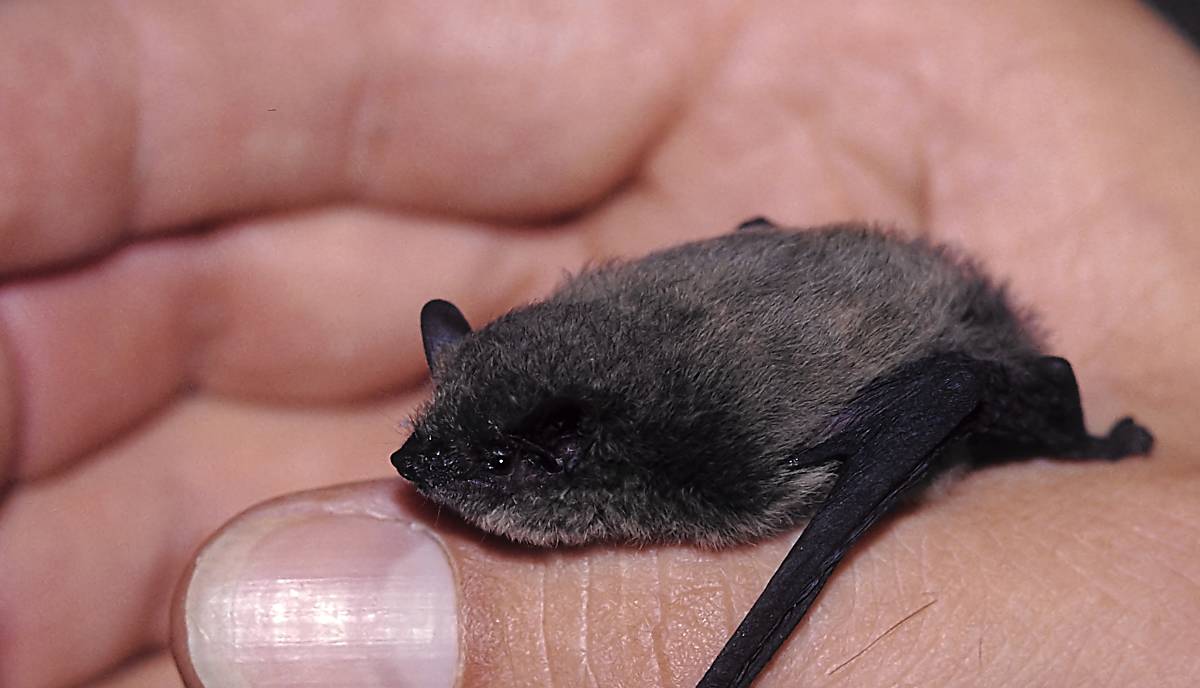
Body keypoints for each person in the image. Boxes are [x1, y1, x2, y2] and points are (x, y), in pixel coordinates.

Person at [1, 2, 1197, 686]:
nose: (431, 476)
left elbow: (927, 387)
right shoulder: (587, 385)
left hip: (928, 344)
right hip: (787, 295)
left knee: (916, 410)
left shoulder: (722, 453)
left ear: (575, 455)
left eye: (503, 465)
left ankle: (1075, 443)